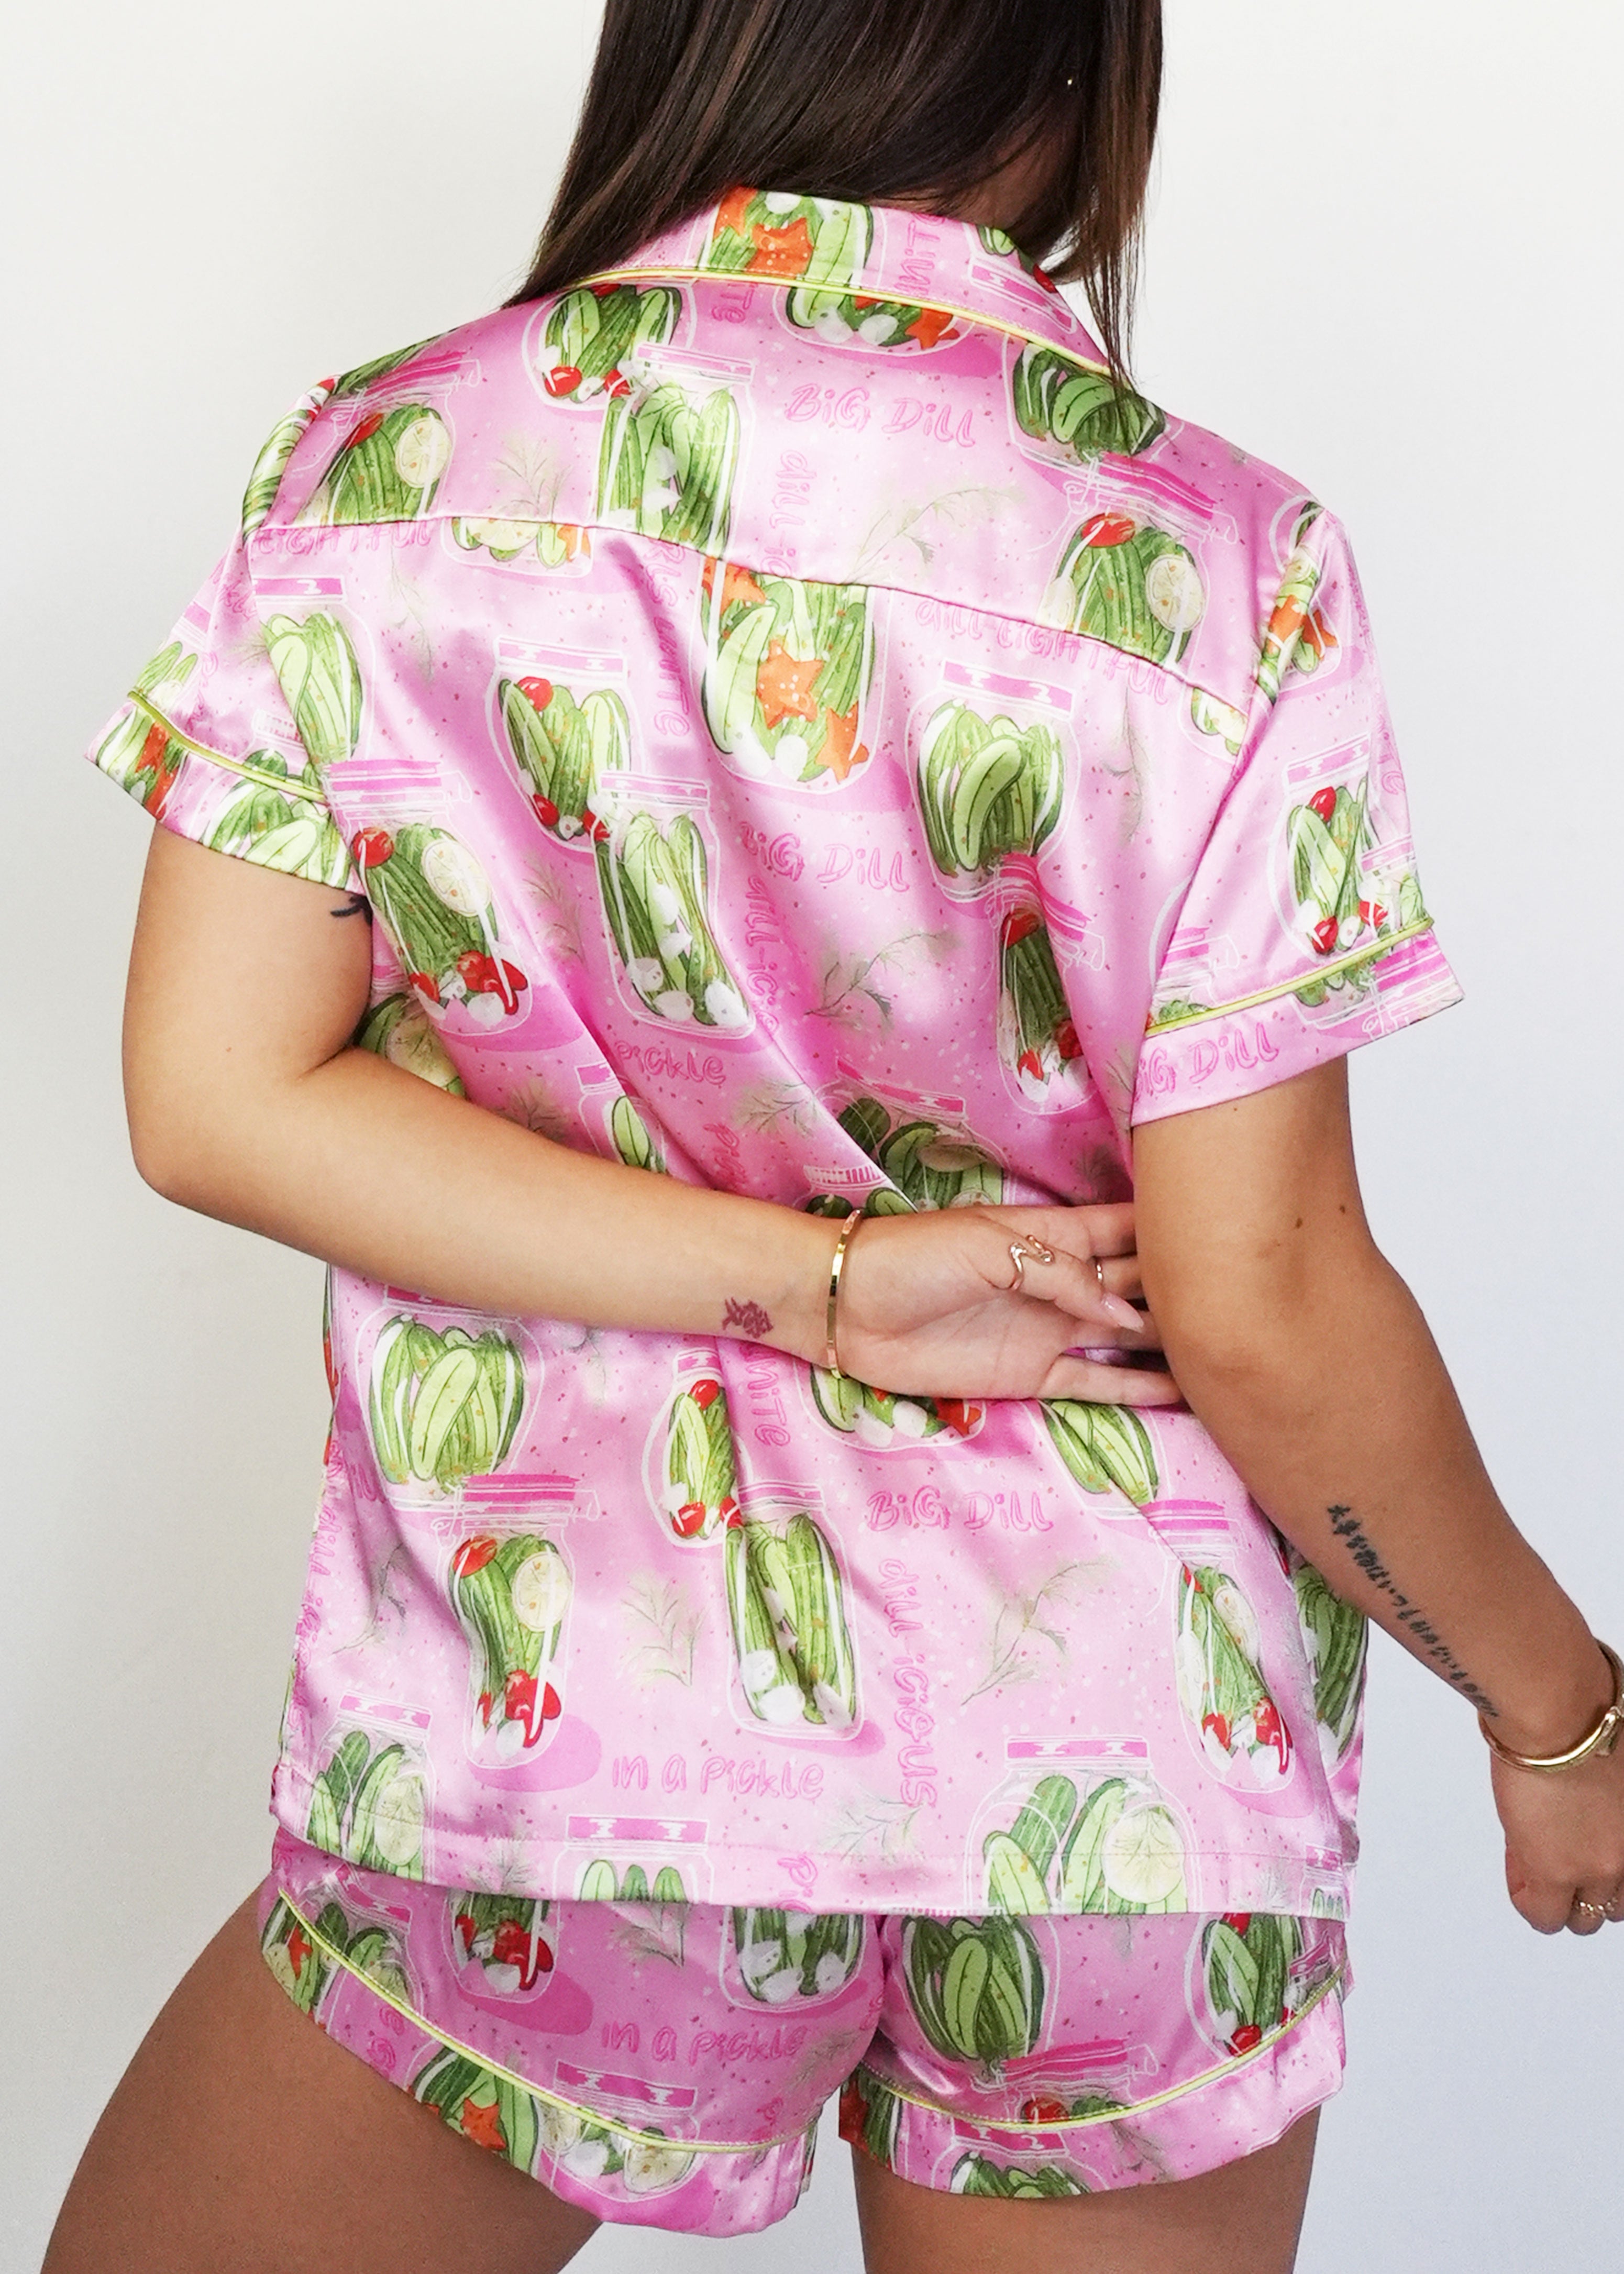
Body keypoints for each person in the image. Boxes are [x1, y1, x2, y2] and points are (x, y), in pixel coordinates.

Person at [45, 3, 1624, 2270]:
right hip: (1105, 1800)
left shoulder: (391, 465)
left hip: (566, 1756)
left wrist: (816, 1285)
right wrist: (1558, 1716)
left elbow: (218, 1097)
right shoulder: (1219, 559)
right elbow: (1262, 1300)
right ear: (1075, 68)